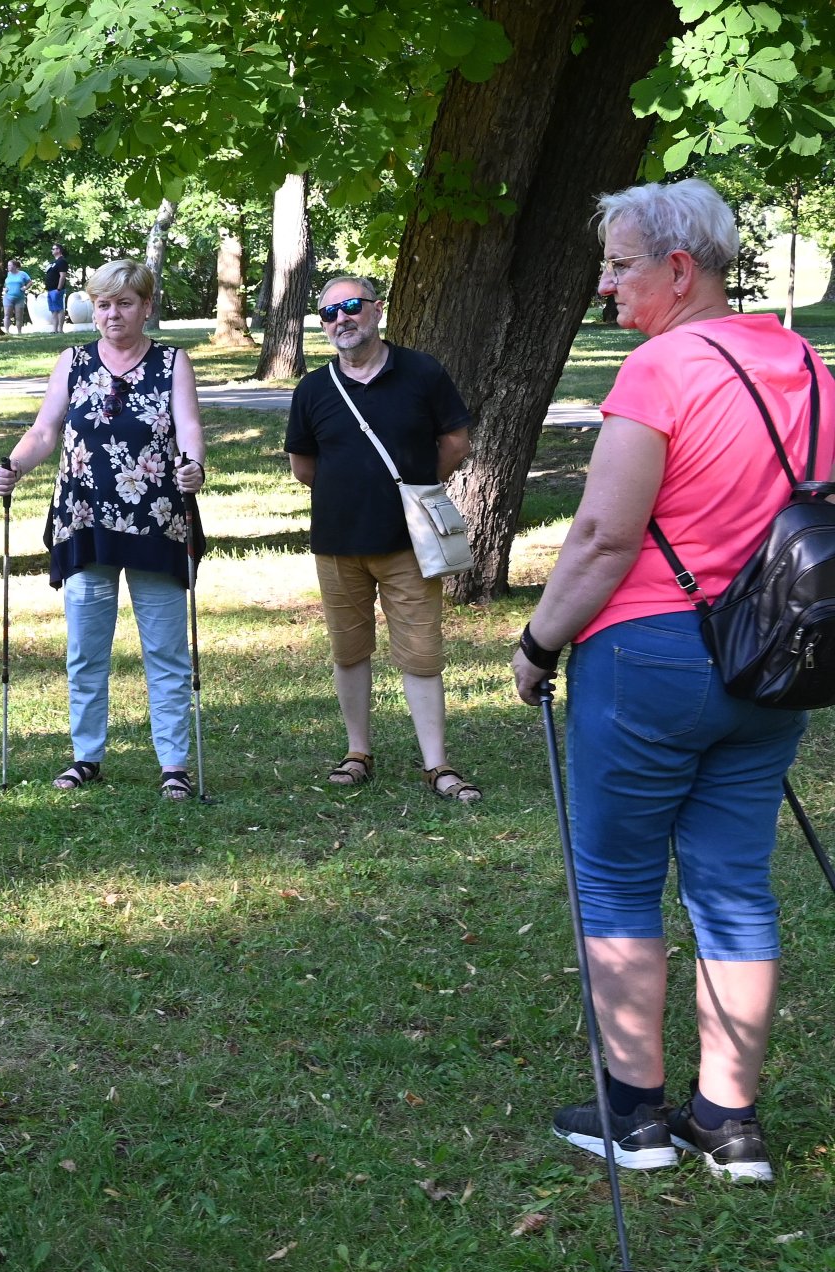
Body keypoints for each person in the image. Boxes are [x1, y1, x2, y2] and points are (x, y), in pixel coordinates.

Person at [512, 178, 834, 1182]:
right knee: (734, 884)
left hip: (649, 656)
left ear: (680, 269)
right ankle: (729, 1124)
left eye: (620, 265)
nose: (606, 284)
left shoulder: (659, 369)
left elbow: (603, 538)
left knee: (617, 878)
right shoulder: (809, 365)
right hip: (774, 658)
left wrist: (537, 643)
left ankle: (634, 1116)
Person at [0, 259, 208, 798]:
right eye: (104, 304)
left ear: (146, 307)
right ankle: (86, 756)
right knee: (86, 651)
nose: (113, 314)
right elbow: (45, 430)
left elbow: (188, 427)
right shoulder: (73, 361)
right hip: (85, 519)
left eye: (125, 303)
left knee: (166, 651)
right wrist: (15, 465)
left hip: (156, 521)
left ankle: (174, 764)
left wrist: (194, 467)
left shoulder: (172, 362)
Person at [284, 276, 478, 801]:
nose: (341, 319)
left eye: (351, 306)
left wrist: (413, 491)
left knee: (421, 654)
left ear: (377, 309)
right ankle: (357, 753)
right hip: (337, 543)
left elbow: (455, 442)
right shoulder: (313, 389)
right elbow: (304, 466)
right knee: (349, 652)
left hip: (409, 544)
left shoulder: (422, 372)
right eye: (329, 313)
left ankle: (437, 764)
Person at [2, 258, 33, 335]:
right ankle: (7, 332)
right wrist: (4, 289)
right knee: (7, 315)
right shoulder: (7, 274)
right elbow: (0, 284)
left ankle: (19, 332)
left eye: (10, 265)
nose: (8, 267)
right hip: (8, 298)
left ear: (15, 266)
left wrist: (25, 288)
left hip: (20, 298)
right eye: (8, 265)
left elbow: (30, 282)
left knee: (19, 316)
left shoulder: (22, 274)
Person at [43, 243, 70, 333]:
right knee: (53, 310)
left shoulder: (62, 261)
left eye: (54, 248)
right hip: (50, 289)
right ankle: (54, 329)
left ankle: (60, 329)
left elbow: (62, 276)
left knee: (59, 309)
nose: (52, 250)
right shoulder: (53, 262)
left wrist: (59, 288)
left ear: (58, 250)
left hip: (56, 289)